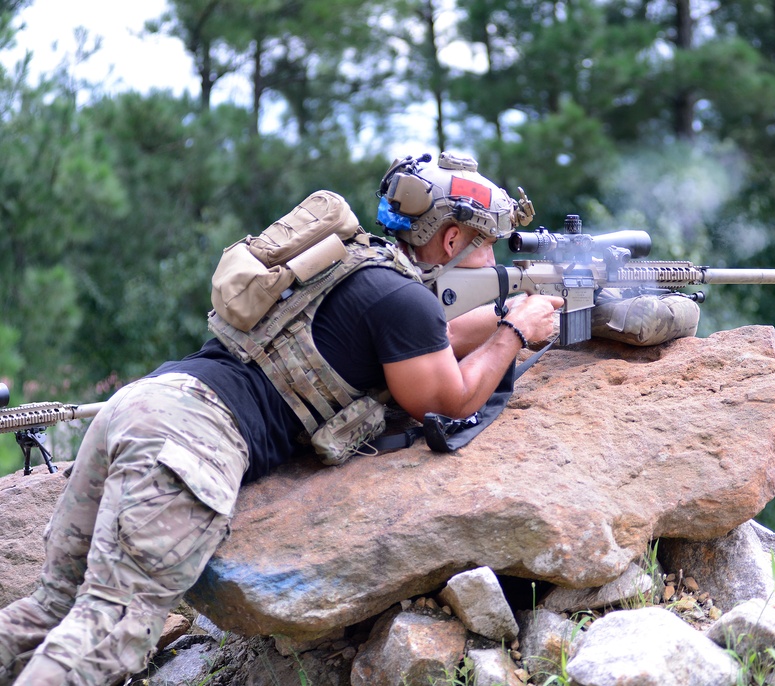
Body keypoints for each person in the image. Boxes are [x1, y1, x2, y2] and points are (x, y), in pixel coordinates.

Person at [0, 151, 563, 686]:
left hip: (145, 404)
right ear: (451, 238)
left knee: (53, 607)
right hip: (192, 439)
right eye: (489, 244)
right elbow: (450, 400)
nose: (495, 260)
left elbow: (426, 346)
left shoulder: (357, 268)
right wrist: (516, 332)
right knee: (112, 627)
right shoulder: (406, 301)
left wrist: (501, 317)